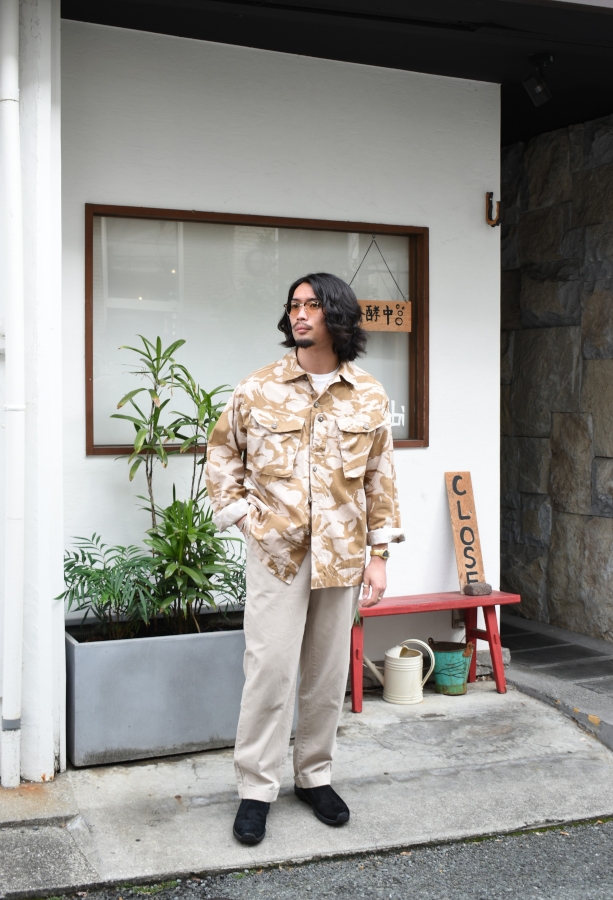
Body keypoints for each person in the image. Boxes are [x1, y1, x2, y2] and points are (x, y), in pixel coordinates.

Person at [205, 272, 404, 845]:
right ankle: (256, 788)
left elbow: (380, 478)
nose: (299, 314)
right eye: (294, 305)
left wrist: (379, 555)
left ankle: (314, 777)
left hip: (342, 556)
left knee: (325, 675)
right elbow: (222, 454)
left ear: (336, 315)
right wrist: (245, 519)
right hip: (278, 556)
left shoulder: (368, 394)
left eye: (312, 305)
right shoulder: (258, 388)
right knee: (269, 671)